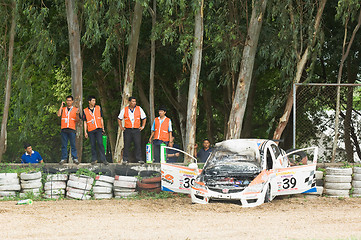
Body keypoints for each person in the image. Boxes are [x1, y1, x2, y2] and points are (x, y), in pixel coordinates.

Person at [118, 96, 147, 163]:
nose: (134, 103)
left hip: (136, 129)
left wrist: (143, 126)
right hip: (127, 129)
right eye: (133, 101)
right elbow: (119, 118)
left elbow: (144, 118)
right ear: (129, 102)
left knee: (137, 144)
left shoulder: (139, 108)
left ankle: (139, 159)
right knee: (127, 144)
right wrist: (121, 127)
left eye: (135, 101)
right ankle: (125, 159)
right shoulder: (124, 109)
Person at [83, 96, 108, 165]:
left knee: (100, 143)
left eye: (95, 101)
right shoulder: (85, 110)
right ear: (89, 101)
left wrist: (103, 128)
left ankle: (104, 159)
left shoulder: (98, 108)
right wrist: (85, 131)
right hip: (91, 129)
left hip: (98, 128)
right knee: (93, 144)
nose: (94, 102)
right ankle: (94, 159)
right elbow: (85, 122)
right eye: (93, 101)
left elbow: (101, 118)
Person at [57, 95, 79, 165]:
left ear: (72, 101)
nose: (68, 102)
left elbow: (77, 120)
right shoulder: (63, 109)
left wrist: (78, 114)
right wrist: (61, 106)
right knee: (64, 144)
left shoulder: (75, 109)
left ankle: (75, 158)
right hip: (64, 128)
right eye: (67, 100)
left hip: (71, 129)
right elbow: (58, 114)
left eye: (70, 100)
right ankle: (63, 158)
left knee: (73, 144)